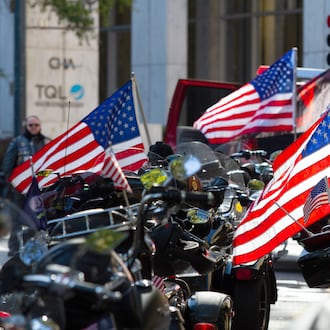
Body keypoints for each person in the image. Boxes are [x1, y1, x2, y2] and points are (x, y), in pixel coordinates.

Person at [2, 115, 50, 256]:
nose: (33, 128)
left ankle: (36, 248)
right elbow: (8, 163)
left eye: (36, 125)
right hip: (21, 189)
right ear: (26, 126)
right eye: (31, 125)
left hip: (41, 188)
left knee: (40, 218)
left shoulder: (46, 142)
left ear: (40, 126)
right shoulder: (18, 142)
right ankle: (15, 249)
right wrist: (12, 182)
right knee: (18, 218)